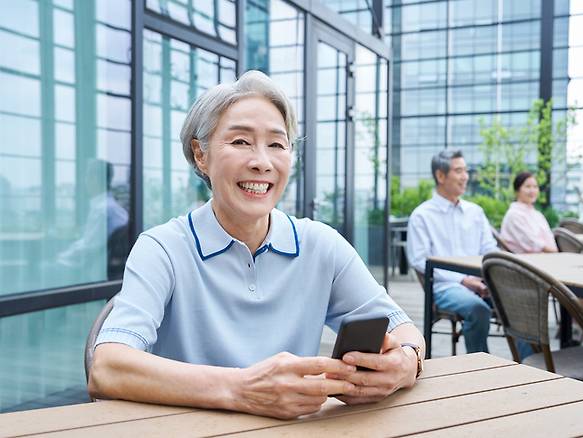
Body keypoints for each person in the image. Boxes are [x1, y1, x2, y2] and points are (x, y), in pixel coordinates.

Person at [88, 71, 425, 420]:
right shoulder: (162, 248)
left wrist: (407, 361)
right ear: (200, 155)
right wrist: (244, 389)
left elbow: (403, 329)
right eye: (240, 142)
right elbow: (108, 367)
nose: (262, 161)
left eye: (277, 145)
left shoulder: (321, 245)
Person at [406, 149, 498, 353]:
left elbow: (489, 249)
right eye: (459, 170)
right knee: (479, 310)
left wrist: (489, 278)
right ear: (440, 175)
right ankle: (480, 368)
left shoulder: (475, 212)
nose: (465, 176)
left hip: (480, 281)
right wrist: (463, 281)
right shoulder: (422, 216)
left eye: (465, 170)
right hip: (444, 287)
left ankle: (530, 366)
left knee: (521, 300)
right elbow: (420, 260)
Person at [500, 171, 558, 254]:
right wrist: (556, 253)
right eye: (528, 187)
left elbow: (549, 239)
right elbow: (532, 243)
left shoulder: (537, 214)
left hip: (544, 259)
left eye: (535, 187)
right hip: (524, 263)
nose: (532, 191)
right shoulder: (514, 215)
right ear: (517, 191)